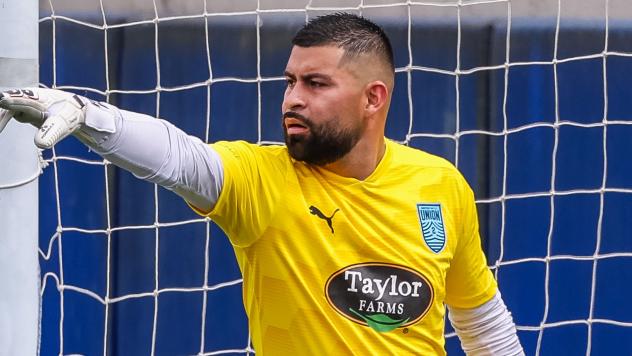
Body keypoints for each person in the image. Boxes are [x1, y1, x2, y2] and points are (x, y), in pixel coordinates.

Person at [0, 13, 523, 355]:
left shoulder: (440, 183)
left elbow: (482, 321)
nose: (293, 99)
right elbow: (180, 158)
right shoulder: (262, 181)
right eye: (290, 82)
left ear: (373, 98)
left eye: (316, 84)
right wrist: (88, 115)